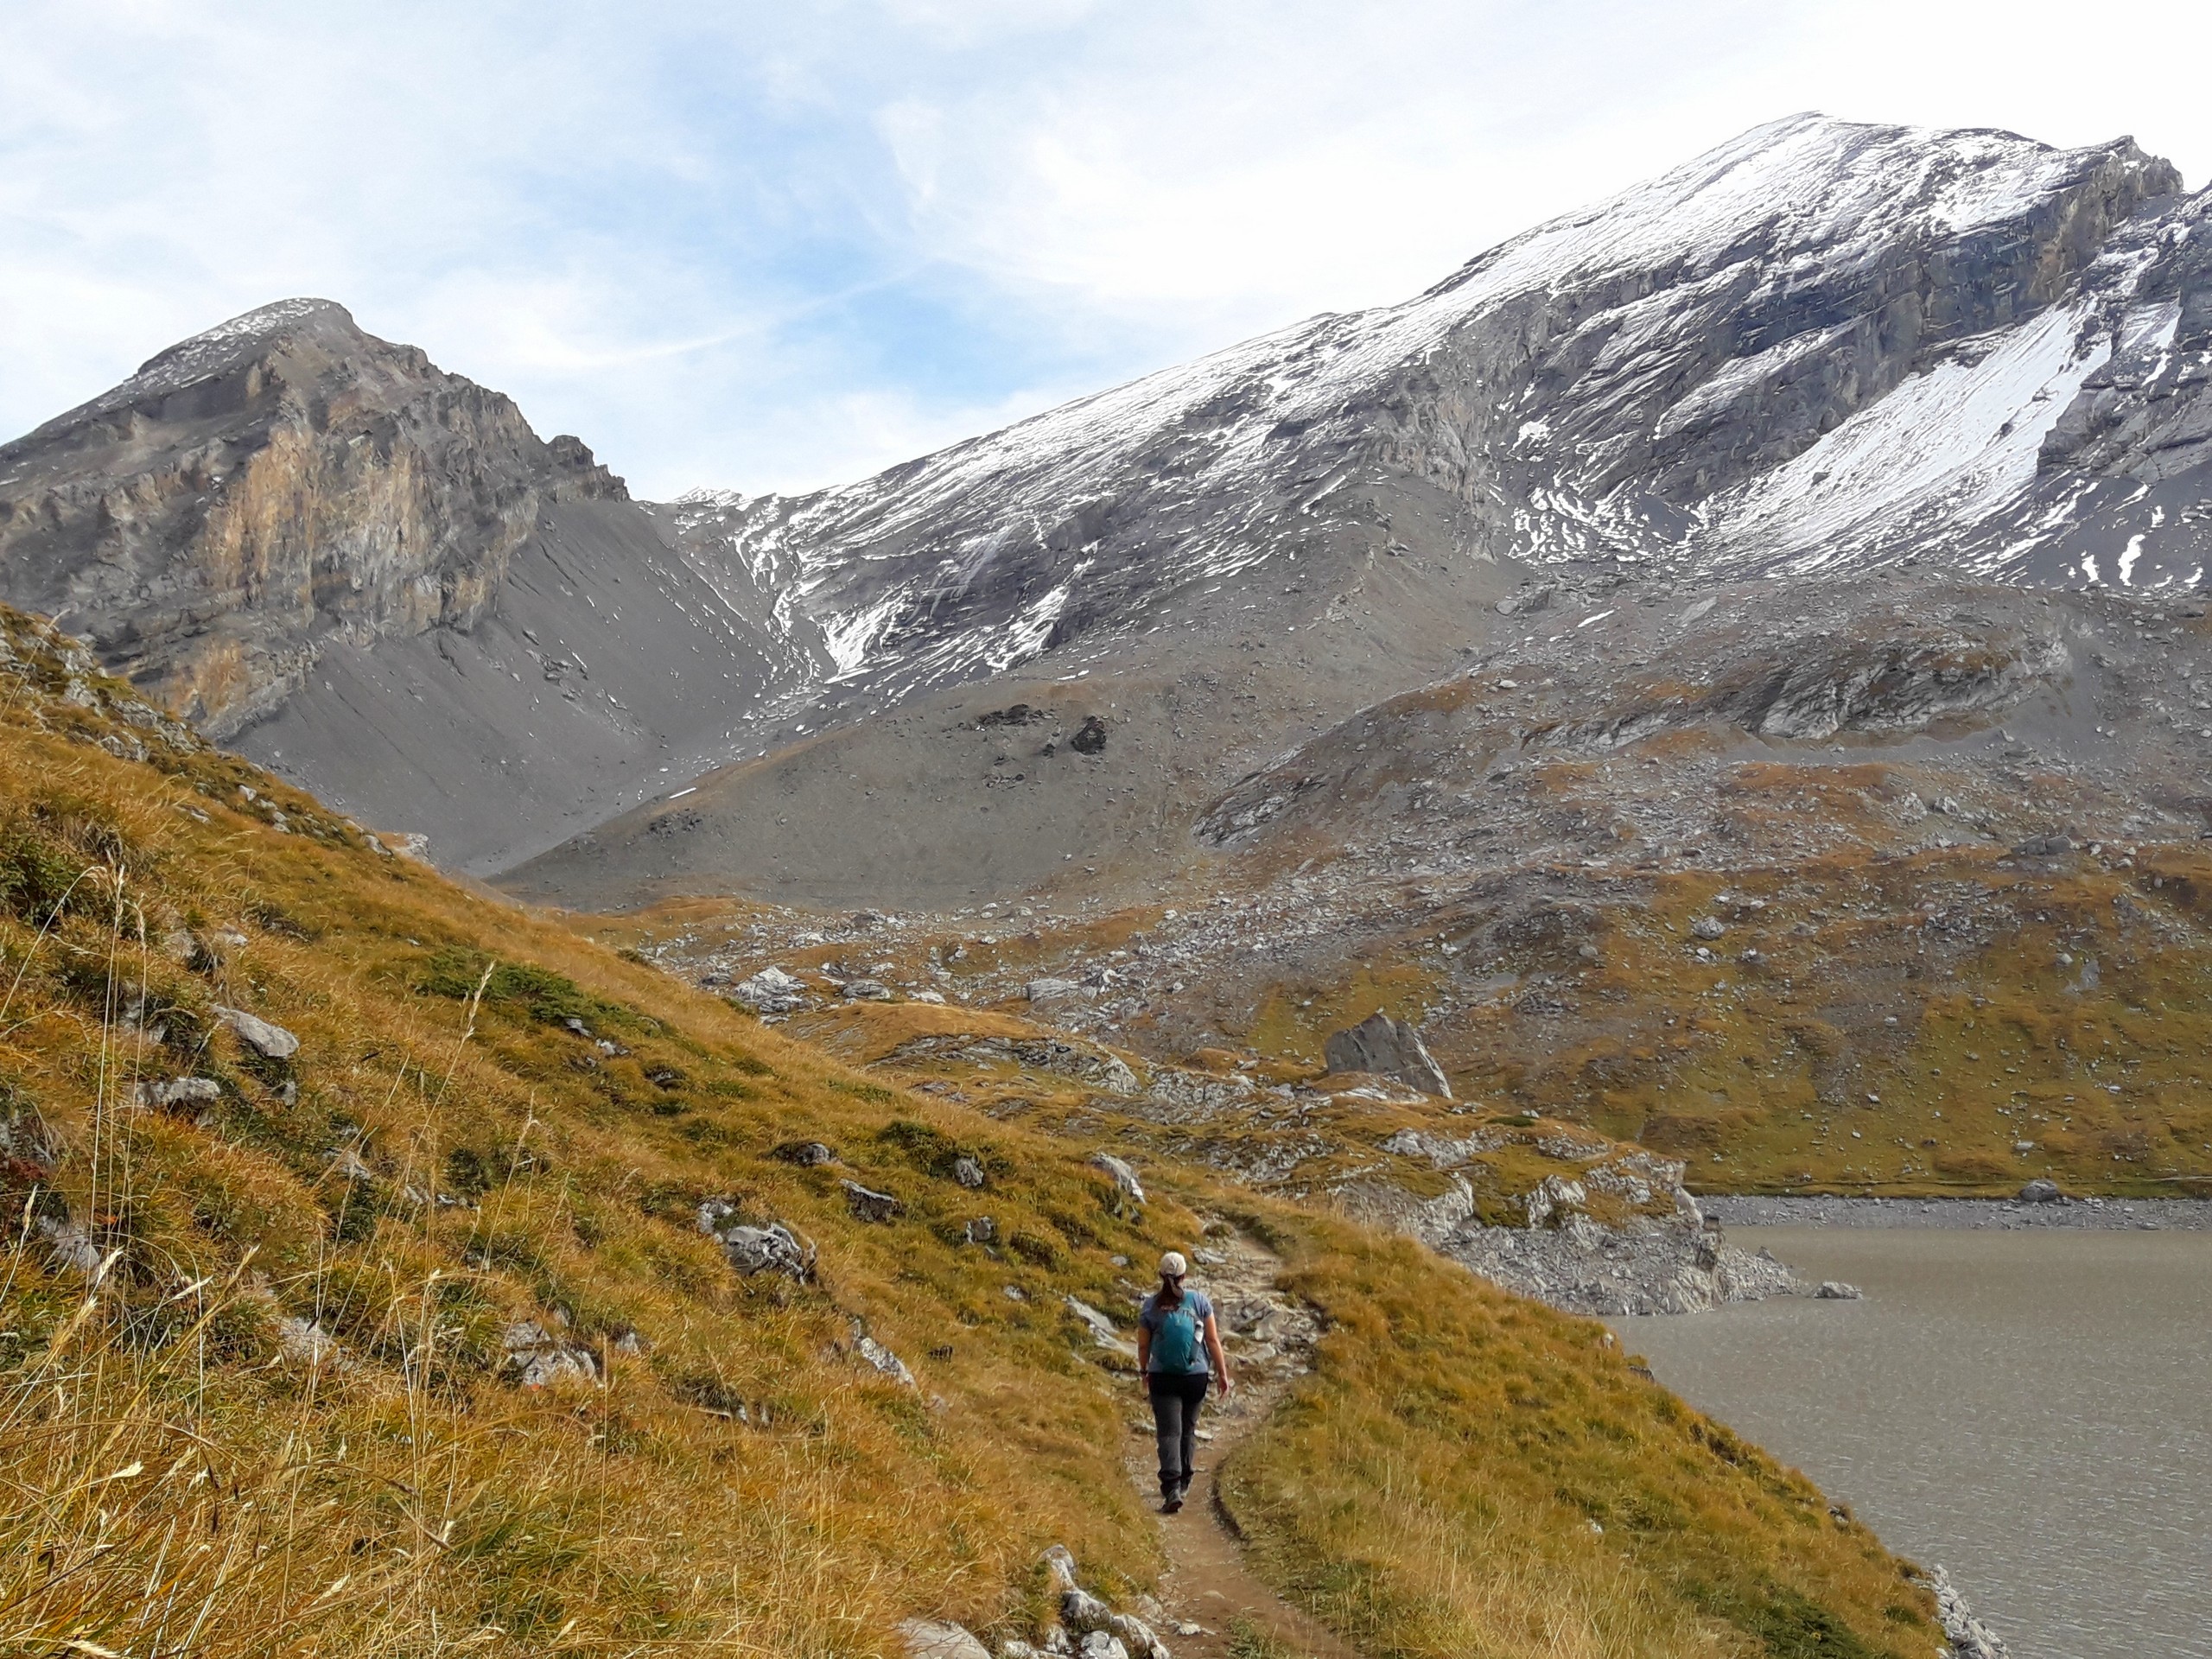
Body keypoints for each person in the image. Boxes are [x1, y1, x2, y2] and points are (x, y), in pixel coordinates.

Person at [1135, 1249, 1231, 1513]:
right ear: (1184, 1276)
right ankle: (1185, 1479)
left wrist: (1144, 1372)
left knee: (1169, 1432)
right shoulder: (1199, 1301)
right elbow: (1212, 1341)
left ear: (1160, 1275)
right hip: (1195, 1377)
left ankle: (1172, 1488)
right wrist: (1223, 1375)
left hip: (1163, 1377)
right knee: (1188, 1429)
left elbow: (1143, 1346)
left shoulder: (1150, 1306)